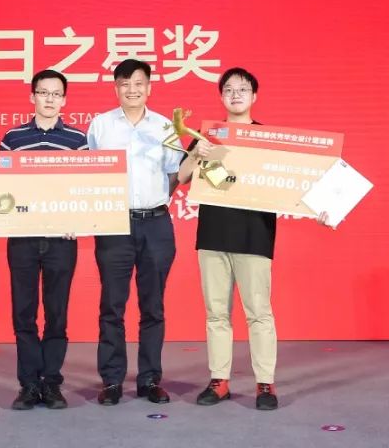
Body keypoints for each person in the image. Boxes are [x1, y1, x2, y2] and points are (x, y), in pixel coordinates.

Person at [177, 66, 330, 411]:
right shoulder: (208, 136)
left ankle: (265, 383)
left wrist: (322, 208)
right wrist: (197, 153)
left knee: (259, 312)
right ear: (221, 96)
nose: (235, 95)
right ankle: (219, 381)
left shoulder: (267, 140)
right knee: (216, 313)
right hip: (212, 236)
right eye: (228, 89)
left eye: (242, 89)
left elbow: (294, 183)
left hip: (254, 236)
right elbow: (183, 177)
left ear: (254, 96)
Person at [87, 58, 182, 406]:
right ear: (116, 88)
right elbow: (89, 174)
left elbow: (174, 173)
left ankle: (150, 379)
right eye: (125, 83)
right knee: (112, 305)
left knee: (153, 305)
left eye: (139, 83)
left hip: (156, 223)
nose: (132, 89)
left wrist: (157, 200)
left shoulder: (165, 126)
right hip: (114, 224)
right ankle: (112, 380)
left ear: (149, 87)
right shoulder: (101, 125)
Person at [0, 69, 87, 410]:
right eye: (43, 92)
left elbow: (86, 189)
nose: (49, 99)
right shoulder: (13, 138)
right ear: (32, 96)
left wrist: (79, 219)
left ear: (64, 100)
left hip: (61, 239)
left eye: (56, 94)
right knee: (23, 313)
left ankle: (51, 383)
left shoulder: (78, 140)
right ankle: (29, 385)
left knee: (57, 313)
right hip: (23, 238)